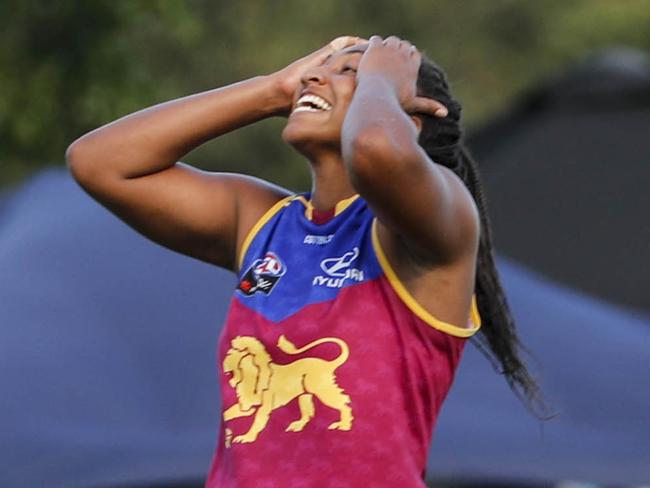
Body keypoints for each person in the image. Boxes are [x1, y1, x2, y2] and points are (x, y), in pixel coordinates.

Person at [67, 35, 547, 487]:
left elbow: (375, 149)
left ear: (409, 120)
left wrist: (383, 82)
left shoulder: (437, 224)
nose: (314, 78)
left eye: (350, 73)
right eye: (317, 70)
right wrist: (271, 91)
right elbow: (99, 162)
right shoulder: (262, 221)